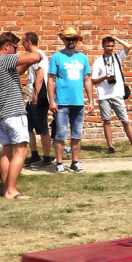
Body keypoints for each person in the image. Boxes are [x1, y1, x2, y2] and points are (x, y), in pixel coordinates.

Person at [0, 31, 40, 199]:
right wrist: (31, 47)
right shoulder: (4, 59)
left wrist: (28, 63)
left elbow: (19, 71)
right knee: (21, 151)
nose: (16, 51)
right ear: (6, 46)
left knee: (7, 152)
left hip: (1, 114)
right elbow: (35, 57)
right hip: (14, 112)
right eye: (15, 47)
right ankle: (12, 190)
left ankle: (6, 190)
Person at [47, 27, 94, 173]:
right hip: (61, 101)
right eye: (68, 39)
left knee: (77, 134)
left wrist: (91, 100)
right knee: (60, 133)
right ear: (63, 40)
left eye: (73, 39)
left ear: (77, 41)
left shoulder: (83, 58)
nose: (70, 41)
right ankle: (60, 163)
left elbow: (87, 79)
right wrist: (52, 101)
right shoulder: (57, 57)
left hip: (78, 102)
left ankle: (75, 162)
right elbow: (50, 79)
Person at [92, 35, 132, 154]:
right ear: (103, 46)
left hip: (117, 94)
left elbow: (129, 46)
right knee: (107, 121)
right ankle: (110, 147)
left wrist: (116, 38)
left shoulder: (117, 57)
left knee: (125, 120)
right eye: (107, 46)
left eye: (112, 46)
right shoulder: (98, 61)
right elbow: (93, 80)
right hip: (104, 95)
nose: (110, 48)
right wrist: (105, 77)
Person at [22, 32, 53, 167]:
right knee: (28, 127)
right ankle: (34, 155)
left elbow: (40, 76)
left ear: (29, 42)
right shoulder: (33, 56)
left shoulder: (38, 56)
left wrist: (35, 95)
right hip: (31, 99)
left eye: (23, 41)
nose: (22, 44)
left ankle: (47, 157)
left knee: (42, 128)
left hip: (38, 99)